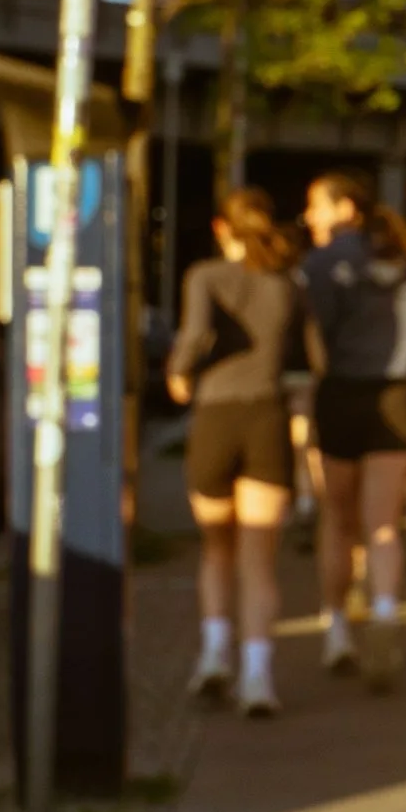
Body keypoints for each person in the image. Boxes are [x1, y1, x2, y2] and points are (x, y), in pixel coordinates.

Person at [166, 185, 300, 717]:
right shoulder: (285, 283)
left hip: (216, 417)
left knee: (216, 549)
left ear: (222, 228)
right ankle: (258, 675)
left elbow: (197, 333)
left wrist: (178, 371)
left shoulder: (204, 276)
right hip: (267, 414)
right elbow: (309, 351)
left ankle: (214, 653)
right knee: (259, 557)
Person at [301, 167, 406, 690]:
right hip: (398, 396)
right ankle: (383, 614)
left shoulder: (322, 264)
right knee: (383, 523)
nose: (309, 216)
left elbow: (314, 334)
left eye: (317, 205)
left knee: (338, 519)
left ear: (347, 210)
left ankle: (335, 627)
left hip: (343, 393)